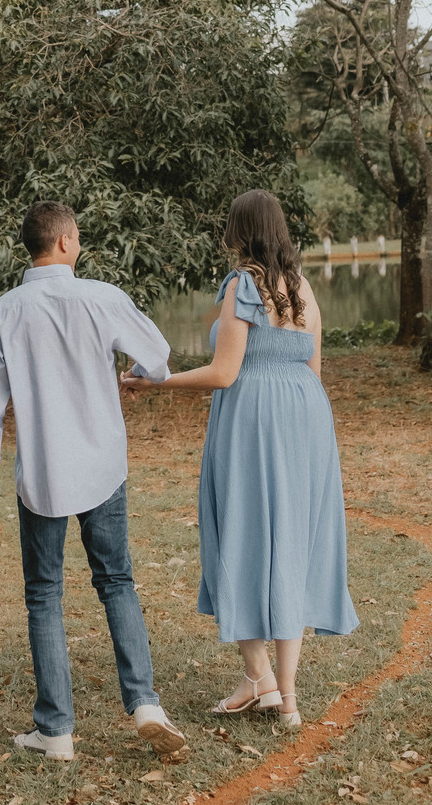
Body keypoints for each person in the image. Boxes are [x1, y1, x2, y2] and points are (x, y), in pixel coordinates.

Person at [0, 200, 188, 761]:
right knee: (116, 580)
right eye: (79, 236)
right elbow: (159, 358)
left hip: (42, 471)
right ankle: (145, 704)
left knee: (44, 593)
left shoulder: (2, 312)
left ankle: (56, 731)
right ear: (65, 242)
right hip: (101, 465)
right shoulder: (102, 297)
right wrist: (138, 376)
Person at [127, 189, 357, 727]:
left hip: (253, 419)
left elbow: (224, 372)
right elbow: (313, 368)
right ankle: (286, 697)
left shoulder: (242, 284)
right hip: (307, 418)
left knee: (241, 533)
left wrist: (156, 382)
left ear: (239, 232)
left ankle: (259, 677)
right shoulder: (302, 288)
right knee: (291, 542)